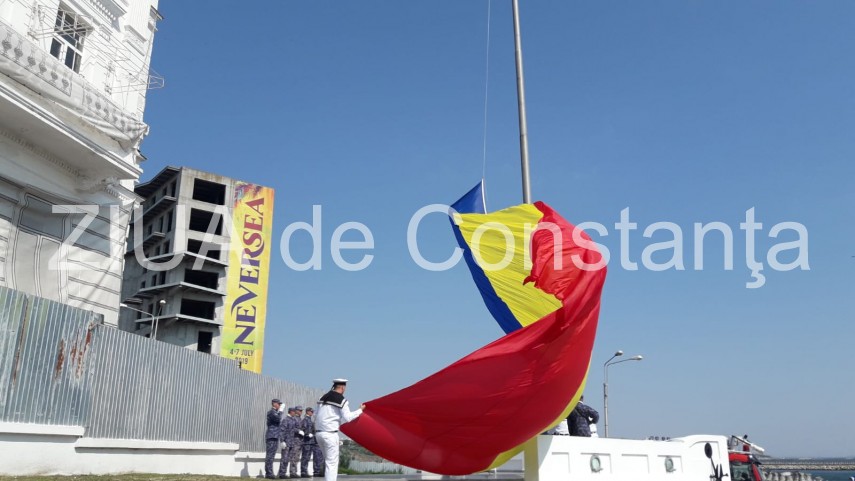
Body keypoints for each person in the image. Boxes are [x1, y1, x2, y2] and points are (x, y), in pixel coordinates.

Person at [315, 378, 364, 481]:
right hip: (330, 434)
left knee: (328, 461)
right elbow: (348, 417)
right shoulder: (342, 400)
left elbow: (316, 415)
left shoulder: (322, 398)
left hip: (319, 434)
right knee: (332, 463)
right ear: (342, 387)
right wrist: (360, 410)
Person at [265, 399, 284, 479]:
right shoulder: (271, 412)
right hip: (271, 436)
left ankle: (270, 473)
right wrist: (281, 411)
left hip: (275, 436)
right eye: (278, 404)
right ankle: (269, 473)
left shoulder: (275, 412)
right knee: (269, 456)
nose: (279, 406)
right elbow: (278, 419)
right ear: (274, 404)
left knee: (272, 456)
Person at [301, 407, 322, 477]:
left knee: (313, 457)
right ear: (307, 411)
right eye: (311, 411)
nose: (312, 413)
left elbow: (313, 430)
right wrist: (307, 434)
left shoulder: (311, 420)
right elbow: (302, 429)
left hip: (312, 441)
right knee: (305, 457)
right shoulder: (305, 420)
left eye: (312, 412)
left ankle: (316, 472)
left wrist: (313, 434)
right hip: (306, 441)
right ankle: (303, 472)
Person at [278, 407, 299, 478]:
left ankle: (284, 473)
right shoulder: (285, 420)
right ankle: (282, 474)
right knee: (284, 458)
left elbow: (295, 428)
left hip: (291, 442)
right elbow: (282, 430)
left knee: (288, 459)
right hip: (286, 442)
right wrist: (282, 441)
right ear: (291, 412)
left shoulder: (293, 419)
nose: (295, 413)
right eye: (294, 412)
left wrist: (298, 431)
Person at [288, 406, 305, 477]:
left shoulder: (300, 419)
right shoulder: (294, 418)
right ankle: (292, 472)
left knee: (297, 457)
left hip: (300, 441)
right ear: (296, 411)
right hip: (295, 440)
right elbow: (291, 428)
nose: (301, 412)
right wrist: (298, 431)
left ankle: (295, 471)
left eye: (301, 411)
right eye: (300, 410)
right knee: (293, 457)